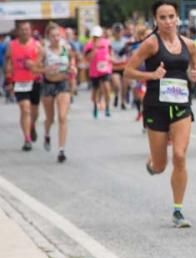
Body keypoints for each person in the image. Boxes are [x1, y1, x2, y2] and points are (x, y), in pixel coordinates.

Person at [125, 0, 196, 228]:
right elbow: (128, 72)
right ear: (156, 21)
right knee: (160, 166)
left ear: (177, 18)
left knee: (179, 155)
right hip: (156, 107)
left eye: (171, 17)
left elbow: (195, 72)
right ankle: (153, 164)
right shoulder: (151, 44)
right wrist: (151, 76)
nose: (168, 21)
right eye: (163, 17)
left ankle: (178, 210)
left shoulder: (189, 44)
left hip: (181, 105)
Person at [35, 23, 76, 162]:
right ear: (48, 37)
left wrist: (73, 68)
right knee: (50, 118)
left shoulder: (65, 48)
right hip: (48, 85)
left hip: (63, 84)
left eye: (58, 35)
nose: (56, 38)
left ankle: (61, 150)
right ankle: (47, 134)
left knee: (62, 117)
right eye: (53, 36)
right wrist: (45, 70)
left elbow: (71, 62)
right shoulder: (44, 51)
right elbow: (35, 68)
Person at [4, 21, 42, 149]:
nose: (25, 32)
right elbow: (8, 63)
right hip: (19, 81)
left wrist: (34, 65)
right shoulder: (12, 45)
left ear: (31, 31)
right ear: (18, 32)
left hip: (35, 80)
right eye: (23, 29)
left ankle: (32, 126)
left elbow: (42, 65)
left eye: (27, 29)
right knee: (25, 109)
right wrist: (8, 80)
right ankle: (27, 139)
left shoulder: (37, 45)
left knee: (34, 111)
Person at [84, 26, 114, 118]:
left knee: (107, 87)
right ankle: (95, 107)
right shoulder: (89, 45)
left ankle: (107, 107)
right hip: (94, 71)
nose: (97, 38)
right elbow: (87, 58)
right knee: (96, 90)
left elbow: (110, 53)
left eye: (98, 36)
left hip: (106, 69)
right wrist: (94, 48)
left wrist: (111, 59)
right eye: (95, 36)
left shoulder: (107, 43)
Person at [109, 23, 130, 110]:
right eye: (116, 31)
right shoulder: (110, 42)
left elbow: (130, 53)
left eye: (120, 31)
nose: (118, 33)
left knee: (125, 86)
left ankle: (123, 102)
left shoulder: (127, 41)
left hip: (125, 66)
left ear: (122, 31)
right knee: (117, 85)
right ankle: (116, 95)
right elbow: (108, 53)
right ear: (114, 32)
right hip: (114, 67)